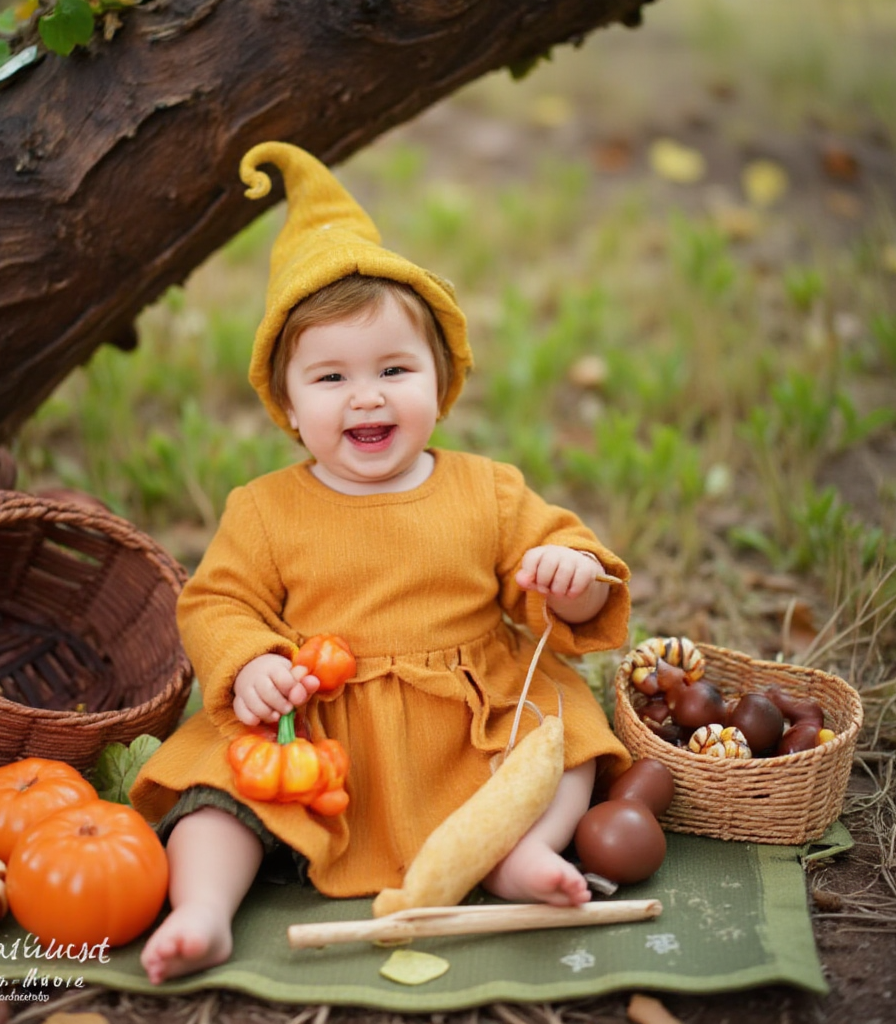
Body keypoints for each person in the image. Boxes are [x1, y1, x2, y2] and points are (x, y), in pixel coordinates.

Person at [129, 141, 633, 985]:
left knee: (567, 739)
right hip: (319, 734)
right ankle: (204, 910)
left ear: (442, 380)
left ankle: (517, 857)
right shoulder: (265, 507)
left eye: (395, 369)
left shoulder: (488, 488)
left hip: (467, 724)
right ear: (288, 405)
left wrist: (571, 578)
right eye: (330, 377)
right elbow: (216, 602)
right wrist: (249, 661)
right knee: (214, 791)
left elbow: (564, 567)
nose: (367, 395)